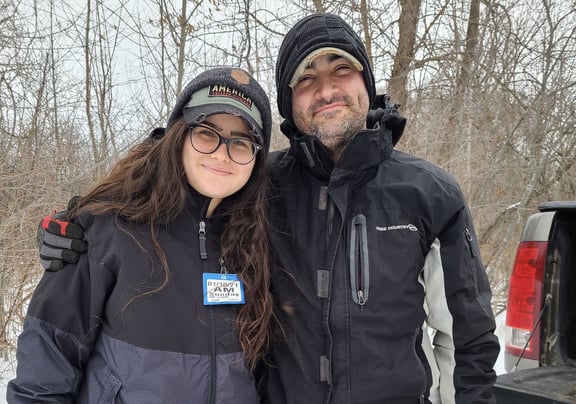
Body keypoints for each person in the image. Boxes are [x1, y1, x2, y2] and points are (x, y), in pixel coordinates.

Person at [34, 13, 500, 404]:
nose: (327, 89)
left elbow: (466, 338)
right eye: (307, 79)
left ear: (367, 82)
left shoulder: (429, 193)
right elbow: (180, 191)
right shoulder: (262, 185)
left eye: (342, 70)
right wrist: (78, 224)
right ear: (288, 102)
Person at [8, 67, 277, 403]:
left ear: (257, 158)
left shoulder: (258, 241)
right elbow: (44, 374)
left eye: (241, 142)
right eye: (207, 132)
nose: (222, 152)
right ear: (179, 135)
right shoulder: (108, 228)